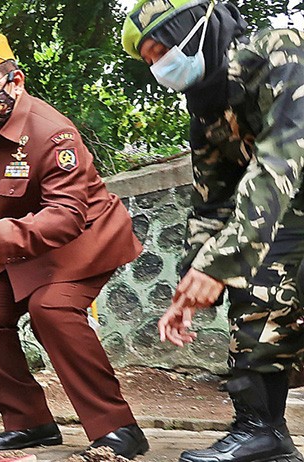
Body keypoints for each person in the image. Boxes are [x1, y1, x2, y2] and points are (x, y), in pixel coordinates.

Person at [0, 32, 148, 458]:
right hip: (26, 243)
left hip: (83, 239)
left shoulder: (51, 132)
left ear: (15, 81)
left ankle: (119, 428)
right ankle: (29, 423)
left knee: (51, 309)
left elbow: (67, 214)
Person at [122, 1, 304, 461]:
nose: (160, 66)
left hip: (288, 195)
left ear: (196, 30)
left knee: (257, 266)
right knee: (255, 283)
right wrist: (192, 281)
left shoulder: (278, 52)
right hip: (285, 211)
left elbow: (280, 160)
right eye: (149, 61)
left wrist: (222, 263)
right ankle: (262, 431)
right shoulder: (207, 111)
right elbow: (213, 201)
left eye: (162, 49)